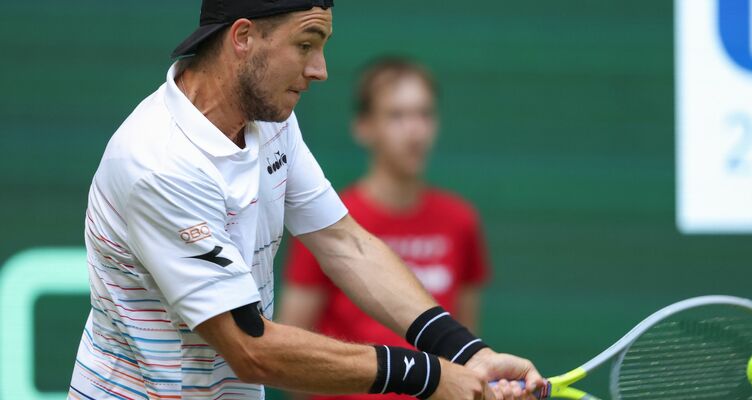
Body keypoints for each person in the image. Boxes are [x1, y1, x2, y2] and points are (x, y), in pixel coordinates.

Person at [67, 2, 545, 400]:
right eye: (305, 45)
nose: (320, 70)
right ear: (243, 37)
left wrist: (466, 353)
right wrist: (428, 375)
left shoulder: (269, 119)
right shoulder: (159, 164)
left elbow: (344, 244)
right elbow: (251, 348)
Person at [279, 58, 491, 400]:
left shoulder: (460, 220)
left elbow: (465, 342)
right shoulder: (327, 222)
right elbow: (290, 351)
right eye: (397, 115)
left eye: (424, 114)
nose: (415, 131)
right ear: (363, 126)